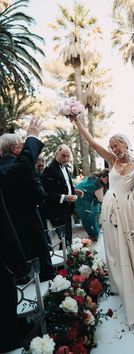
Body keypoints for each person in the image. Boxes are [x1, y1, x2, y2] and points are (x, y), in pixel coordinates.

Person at [68, 114, 134, 327]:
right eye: (111, 145)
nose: (113, 148)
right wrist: (77, 122)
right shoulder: (111, 161)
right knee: (113, 247)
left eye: (116, 144)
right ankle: (119, 284)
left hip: (130, 208)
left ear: (125, 144)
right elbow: (92, 142)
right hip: (111, 208)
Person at [0, 118, 46, 352]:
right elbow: (34, 191)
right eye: (21, 143)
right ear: (15, 148)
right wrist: (32, 136)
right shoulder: (11, 169)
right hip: (18, 246)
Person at [0, 126, 54, 282]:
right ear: (15, 149)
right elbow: (40, 195)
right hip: (32, 228)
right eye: (22, 144)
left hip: (10, 238)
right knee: (42, 277)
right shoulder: (22, 169)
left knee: (22, 281)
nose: (24, 147)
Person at [42, 144, 83, 245]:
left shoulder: (66, 168)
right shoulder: (49, 169)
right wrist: (64, 197)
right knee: (64, 237)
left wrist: (74, 191)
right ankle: (66, 257)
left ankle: (67, 257)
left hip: (67, 208)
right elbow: (47, 191)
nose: (66, 159)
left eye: (68, 156)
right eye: (63, 156)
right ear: (57, 154)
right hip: (56, 209)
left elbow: (66, 185)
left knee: (67, 236)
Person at [75, 169, 109, 242]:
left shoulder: (95, 177)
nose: (108, 181)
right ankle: (97, 238)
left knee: (89, 218)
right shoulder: (98, 184)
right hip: (84, 201)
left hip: (82, 198)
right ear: (102, 177)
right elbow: (101, 199)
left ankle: (94, 236)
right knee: (92, 219)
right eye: (107, 179)